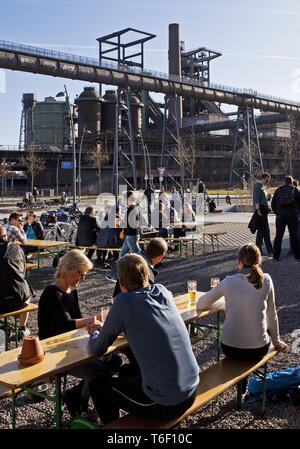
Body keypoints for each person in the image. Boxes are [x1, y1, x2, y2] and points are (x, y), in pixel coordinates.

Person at [87, 253, 199, 425]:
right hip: (191, 389)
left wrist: (94, 332)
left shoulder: (124, 301)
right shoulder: (162, 291)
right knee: (126, 372)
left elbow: (97, 349)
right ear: (147, 276)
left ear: (121, 283)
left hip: (166, 402)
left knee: (97, 385)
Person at [37, 249, 122, 417]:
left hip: (72, 345)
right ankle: (77, 396)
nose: (83, 279)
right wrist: (96, 318)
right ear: (69, 270)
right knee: (100, 371)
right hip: (53, 351)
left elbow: (77, 320)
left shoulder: (71, 289)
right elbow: (67, 325)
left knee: (115, 361)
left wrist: (95, 327)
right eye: (81, 274)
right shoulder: (51, 293)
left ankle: (75, 394)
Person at [196, 243, 290, 394]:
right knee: (259, 327)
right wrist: (276, 341)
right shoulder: (266, 279)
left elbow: (201, 303)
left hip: (229, 348)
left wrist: (226, 304)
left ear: (239, 262)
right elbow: (272, 314)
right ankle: (244, 386)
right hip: (257, 350)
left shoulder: (229, 281)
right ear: (259, 261)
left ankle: (242, 384)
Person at [0, 224, 32, 339]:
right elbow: (22, 270)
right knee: (26, 290)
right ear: (5, 235)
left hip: (1, 304)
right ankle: (22, 329)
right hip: (20, 299)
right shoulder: (16, 247)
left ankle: (3, 328)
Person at [106, 191, 141, 282]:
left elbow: (130, 223)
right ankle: (114, 276)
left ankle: (146, 271)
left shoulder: (131, 209)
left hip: (131, 235)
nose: (123, 201)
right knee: (122, 256)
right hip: (131, 235)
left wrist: (120, 222)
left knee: (139, 256)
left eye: (124, 199)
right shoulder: (135, 208)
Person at [271, 176, 300, 261]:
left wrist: (278, 213)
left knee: (278, 236)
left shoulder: (278, 190)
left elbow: (273, 204)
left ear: (284, 182)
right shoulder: (295, 190)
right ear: (291, 182)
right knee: (293, 235)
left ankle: (276, 256)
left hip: (280, 216)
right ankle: (297, 256)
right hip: (291, 215)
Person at [252, 173, 273, 257]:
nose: (267, 182)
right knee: (266, 231)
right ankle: (270, 251)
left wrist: (268, 197)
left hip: (263, 211)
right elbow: (256, 199)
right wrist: (258, 210)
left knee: (261, 232)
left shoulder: (262, 187)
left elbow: (262, 198)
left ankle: (258, 250)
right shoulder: (257, 186)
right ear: (263, 178)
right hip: (260, 212)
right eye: (267, 180)